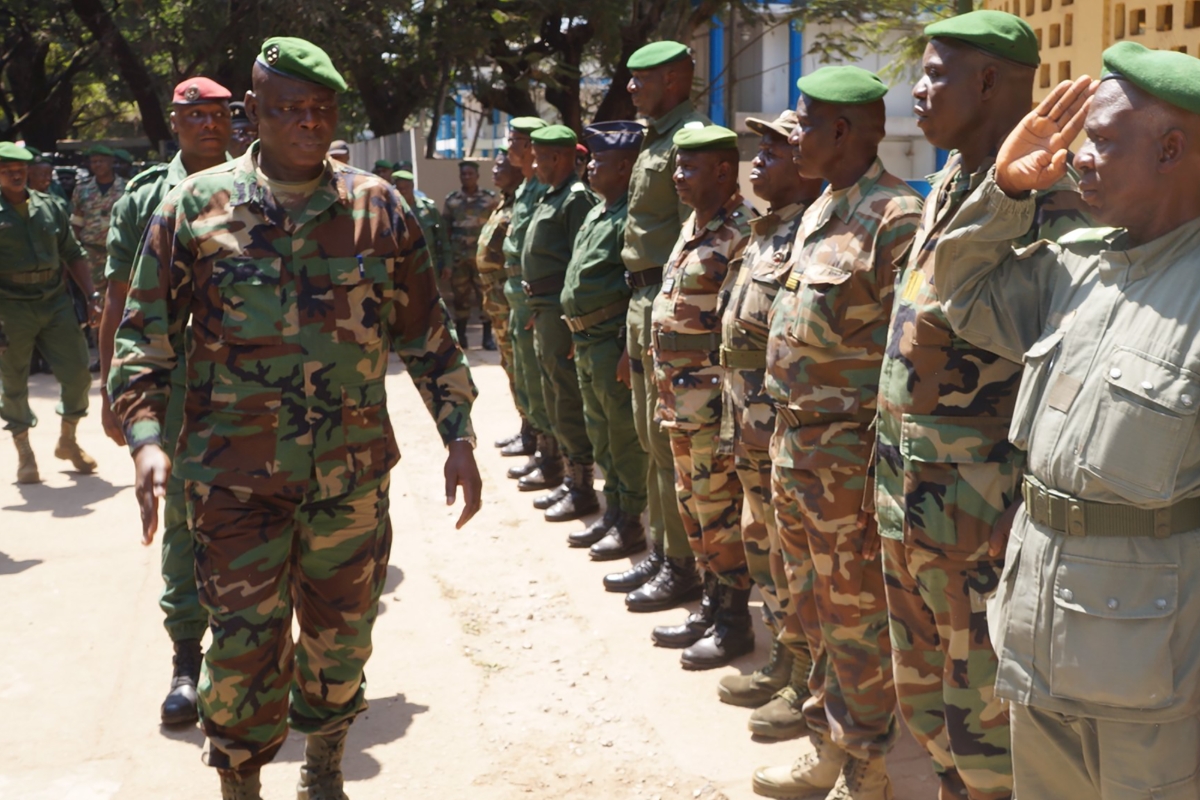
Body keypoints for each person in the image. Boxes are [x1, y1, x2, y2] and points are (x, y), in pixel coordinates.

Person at [108, 37, 481, 800]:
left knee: (341, 648)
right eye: (291, 111)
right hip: (234, 486)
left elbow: (426, 331)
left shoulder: (379, 205)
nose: (310, 124)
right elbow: (141, 339)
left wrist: (459, 433)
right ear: (254, 114)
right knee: (243, 655)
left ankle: (324, 770)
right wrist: (146, 441)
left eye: (323, 111)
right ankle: (240, 784)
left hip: (349, 480)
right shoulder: (194, 206)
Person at [932, 45, 1200, 799]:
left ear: (1171, 149)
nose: (1078, 156)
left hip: (1153, 663)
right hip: (1040, 623)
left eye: (1103, 140)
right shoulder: (1078, 267)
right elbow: (961, 292)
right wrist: (1006, 192)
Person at [874, 13, 1091, 800]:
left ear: (990, 83)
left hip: (981, 525)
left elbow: (1072, 370)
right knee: (929, 714)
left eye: (935, 75)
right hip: (913, 504)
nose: (918, 92)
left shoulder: (1056, 205)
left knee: (991, 740)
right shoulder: (954, 183)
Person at [752, 66, 922, 800]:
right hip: (796, 450)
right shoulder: (822, 209)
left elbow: (911, 358)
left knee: (855, 619)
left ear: (844, 132)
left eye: (807, 121)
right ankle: (826, 744)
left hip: (849, 461)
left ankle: (866, 770)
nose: (796, 134)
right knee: (811, 608)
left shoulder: (896, 218)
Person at [98, 76, 234, 728]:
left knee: (269, 515)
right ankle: (187, 660)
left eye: (219, 115)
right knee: (182, 521)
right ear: (174, 123)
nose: (209, 125)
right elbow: (119, 300)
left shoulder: (265, 187)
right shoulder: (146, 196)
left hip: (258, 389)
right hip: (178, 388)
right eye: (195, 115)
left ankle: (262, 658)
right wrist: (113, 388)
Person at [713, 110, 822, 739]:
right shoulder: (765, 231)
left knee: (797, 558)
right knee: (766, 548)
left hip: (783, 423)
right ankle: (785, 659)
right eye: (760, 149)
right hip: (748, 420)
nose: (760, 161)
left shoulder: (810, 232)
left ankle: (808, 677)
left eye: (774, 151)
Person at [607, 40, 710, 612]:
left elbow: (692, 232)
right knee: (650, 435)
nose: (629, 87)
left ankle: (684, 563)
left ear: (673, 80)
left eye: (640, 78)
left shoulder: (689, 139)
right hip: (639, 298)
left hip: (668, 299)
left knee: (671, 441)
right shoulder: (655, 137)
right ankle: (663, 547)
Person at [649, 124, 755, 670]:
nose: (677, 176)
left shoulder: (742, 233)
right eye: (675, 166)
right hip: (679, 401)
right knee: (693, 507)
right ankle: (711, 605)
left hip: (713, 406)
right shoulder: (693, 226)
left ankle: (735, 622)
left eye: (689, 167)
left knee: (718, 510)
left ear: (723, 170)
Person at [562, 121, 649, 558]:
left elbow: (636, 286)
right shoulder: (599, 211)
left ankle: (630, 520)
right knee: (601, 434)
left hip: (610, 343)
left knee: (622, 438)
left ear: (627, 168)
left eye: (601, 161)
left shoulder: (633, 218)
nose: (591, 168)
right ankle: (613, 511)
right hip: (586, 341)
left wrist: (625, 348)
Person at [0, 142, 98, 484]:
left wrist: (92, 296)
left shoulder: (50, 205)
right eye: (6, 168)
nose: (15, 173)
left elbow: (72, 251)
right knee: (13, 381)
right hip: (9, 305)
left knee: (78, 373)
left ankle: (68, 439)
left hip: (54, 301)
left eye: (20, 168)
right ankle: (24, 451)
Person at [521, 124, 599, 521]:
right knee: (553, 393)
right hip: (544, 309)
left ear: (559, 157)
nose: (533, 164)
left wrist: (571, 321)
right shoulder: (552, 196)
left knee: (567, 396)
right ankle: (568, 474)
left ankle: (582, 483)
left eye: (539, 157)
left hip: (560, 313)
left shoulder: (576, 199)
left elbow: (580, 263)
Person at [502, 116, 558, 489]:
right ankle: (535, 444)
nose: (509, 148)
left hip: (535, 299)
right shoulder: (525, 188)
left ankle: (550, 458)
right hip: (517, 295)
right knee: (523, 376)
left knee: (541, 383)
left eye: (515, 141)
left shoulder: (542, 188)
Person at [476, 148, 532, 453]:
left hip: (509, 298)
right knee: (509, 364)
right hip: (496, 297)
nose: (495, 170)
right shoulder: (504, 203)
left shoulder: (521, 205)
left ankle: (532, 431)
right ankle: (525, 424)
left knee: (519, 366)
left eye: (502, 166)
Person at [442, 160, 498, 349]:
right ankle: (461, 335)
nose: (467, 177)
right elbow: (446, 230)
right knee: (460, 296)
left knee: (485, 295)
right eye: (463, 174)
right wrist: (447, 260)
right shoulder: (452, 200)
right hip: (459, 258)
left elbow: (496, 228)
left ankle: (487, 337)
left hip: (482, 258)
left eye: (470, 174)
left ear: (477, 176)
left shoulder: (489, 199)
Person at [70, 144, 126, 315]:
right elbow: (77, 222)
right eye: (93, 161)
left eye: (101, 161)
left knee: (122, 297)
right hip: (92, 253)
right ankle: (98, 339)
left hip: (119, 253)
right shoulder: (82, 189)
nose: (97, 165)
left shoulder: (127, 188)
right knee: (95, 301)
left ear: (111, 162)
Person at [395, 169, 450, 288]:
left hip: (429, 264)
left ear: (413, 186)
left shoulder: (428, 208)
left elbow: (443, 237)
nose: (403, 191)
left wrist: (447, 263)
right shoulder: (392, 210)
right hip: (402, 265)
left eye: (406, 187)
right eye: (400, 188)